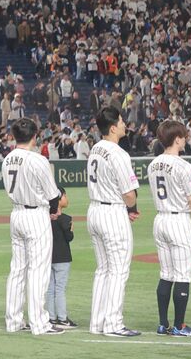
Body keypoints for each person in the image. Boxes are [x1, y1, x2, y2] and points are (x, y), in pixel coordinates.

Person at [1, 117, 63, 335]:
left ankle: (13, 321)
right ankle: (39, 323)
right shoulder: (38, 160)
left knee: (17, 269)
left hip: (16, 214)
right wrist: (54, 210)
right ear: (35, 136)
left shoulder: (7, 159)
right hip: (36, 215)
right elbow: (53, 195)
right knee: (38, 270)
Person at [147, 120, 191, 337]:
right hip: (178, 220)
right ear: (176, 139)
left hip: (160, 220)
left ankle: (163, 324)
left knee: (166, 274)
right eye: (183, 135)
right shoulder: (184, 166)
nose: (186, 138)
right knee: (182, 275)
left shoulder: (152, 164)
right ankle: (180, 326)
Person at [86, 106, 140, 338]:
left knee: (103, 270)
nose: (123, 124)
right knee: (118, 271)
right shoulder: (118, 153)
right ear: (112, 127)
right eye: (120, 121)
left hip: (94, 211)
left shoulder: (95, 148)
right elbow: (129, 194)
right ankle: (114, 324)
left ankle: (98, 322)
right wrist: (133, 208)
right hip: (112, 213)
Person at [46, 188, 76, 328]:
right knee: (60, 289)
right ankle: (62, 318)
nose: (66, 198)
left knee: (50, 288)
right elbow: (69, 237)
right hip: (63, 257)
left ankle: (51, 317)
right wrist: (71, 229)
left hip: (48, 257)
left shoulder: (45, 218)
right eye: (64, 196)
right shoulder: (66, 219)